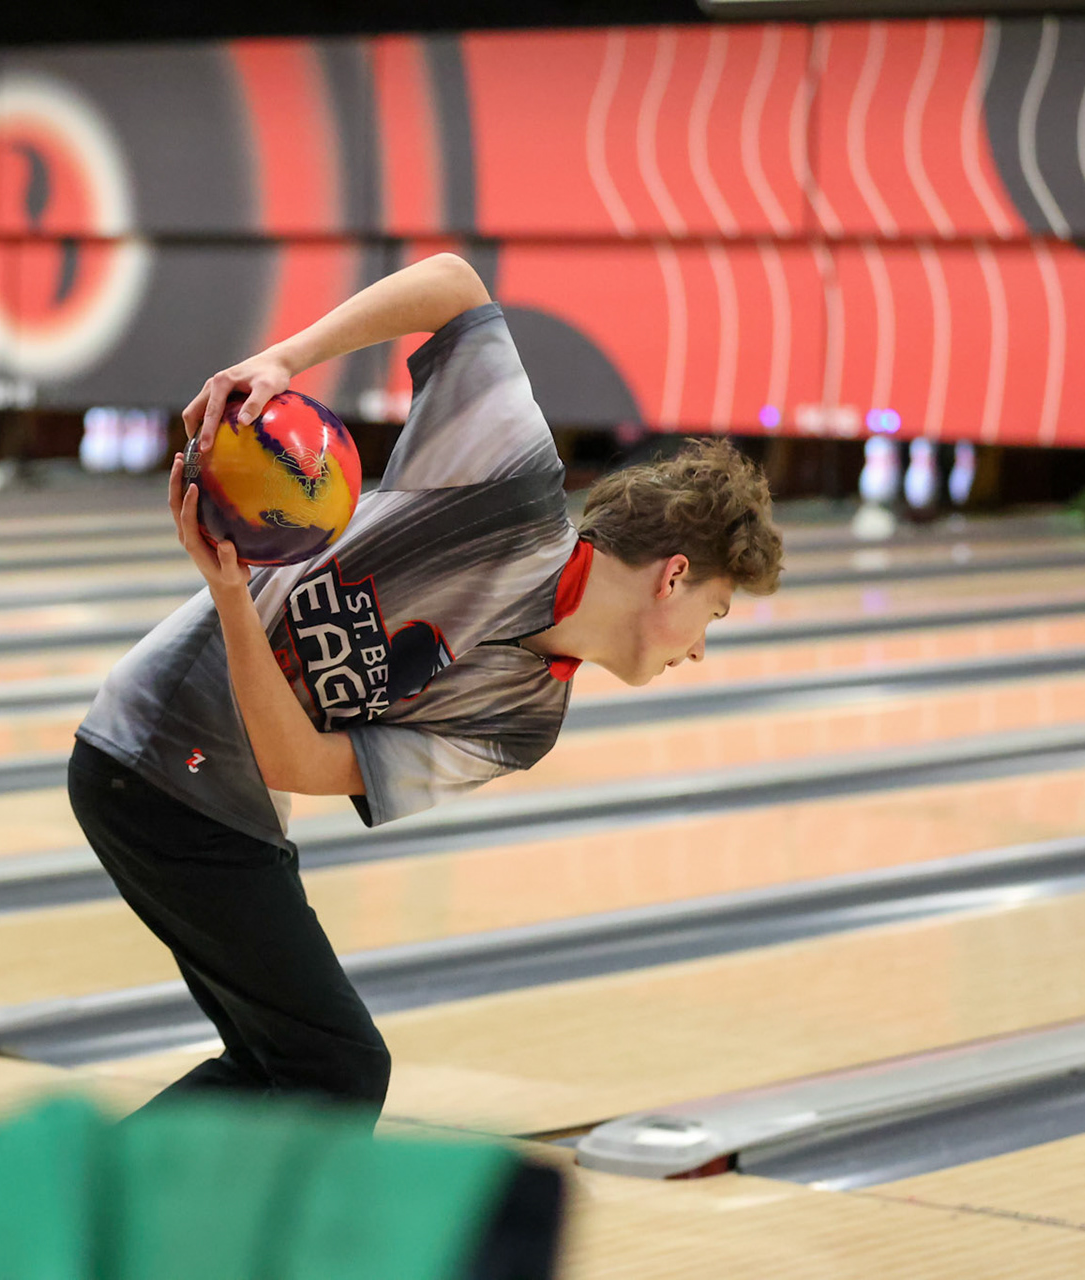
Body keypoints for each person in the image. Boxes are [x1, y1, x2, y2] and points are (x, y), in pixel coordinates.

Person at [69, 252, 784, 1126]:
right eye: (714, 614)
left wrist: (231, 597)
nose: (701, 651)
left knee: (293, 1067)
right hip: (154, 759)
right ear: (673, 577)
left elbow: (297, 760)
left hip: (220, 793)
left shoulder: (522, 721)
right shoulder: (510, 485)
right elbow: (453, 284)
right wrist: (287, 360)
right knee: (334, 1067)